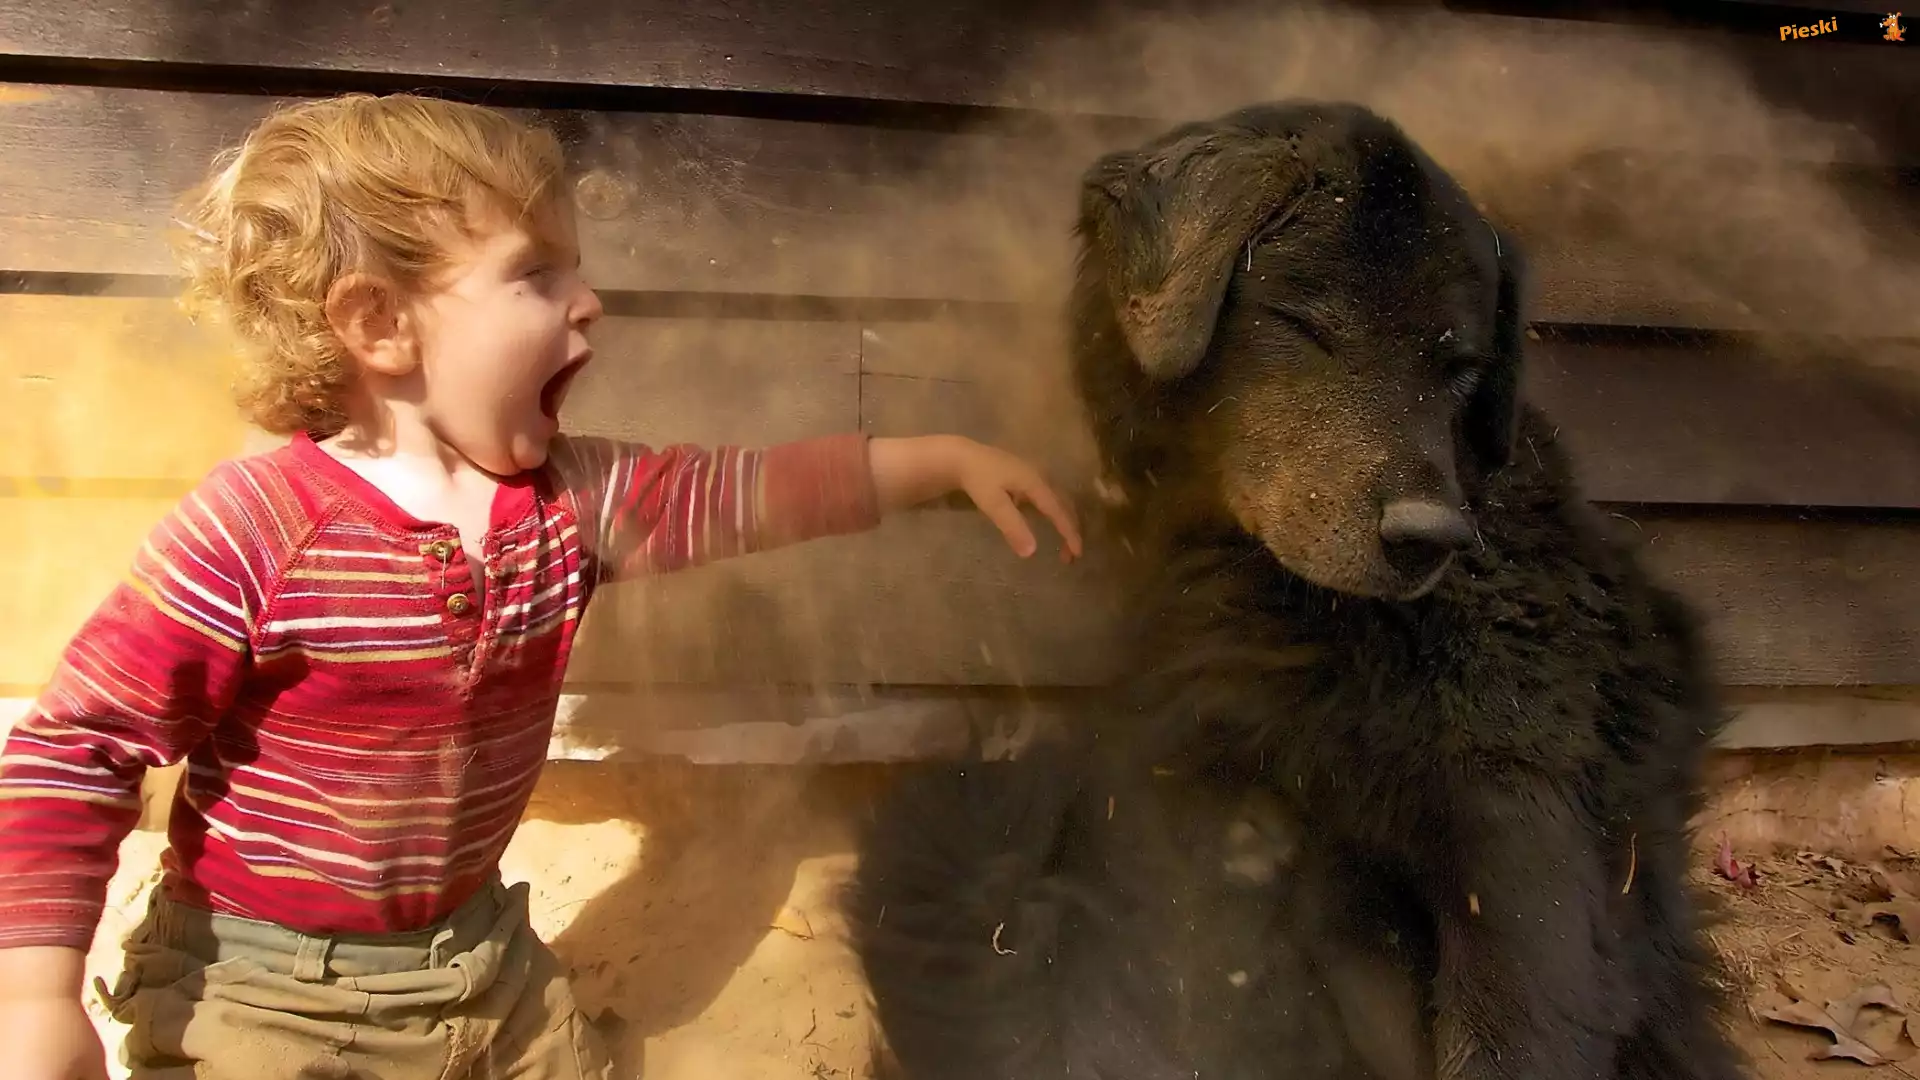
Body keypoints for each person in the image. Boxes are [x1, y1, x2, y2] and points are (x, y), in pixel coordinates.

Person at [0, 91, 1082, 1080]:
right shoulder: (253, 530)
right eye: (537, 274)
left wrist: (935, 459)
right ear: (378, 323)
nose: (590, 302)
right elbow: (74, 748)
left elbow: (742, 492)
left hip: (480, 958)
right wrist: (32, 998)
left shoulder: (573, 499)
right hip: (266, 986)